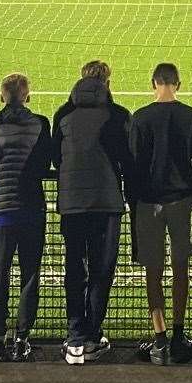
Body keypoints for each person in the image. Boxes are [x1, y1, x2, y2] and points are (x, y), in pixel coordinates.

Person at [128, 63, 192, 365]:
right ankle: (178, 335)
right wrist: (190, 195)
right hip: (179, 202)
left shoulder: (141, 117)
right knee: (180, 269)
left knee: (153, 270)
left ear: (153, 83)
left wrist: (136, 200)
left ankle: (159, 339)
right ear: (179, 84)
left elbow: (132, 166)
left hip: (148, 203)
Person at [52, 64, 131, 364]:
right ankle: (93, 336)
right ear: (107, 82)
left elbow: (55, 155)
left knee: (74, 268)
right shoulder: (118, 114)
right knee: (101, 269)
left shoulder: (63, 114)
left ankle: (74, 337)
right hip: (107, 202)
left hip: (72, 203)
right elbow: (126, 156)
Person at [0, 73, 54, 362]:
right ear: (27, 96)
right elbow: (44, 164)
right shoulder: (40, 124)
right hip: (32, 208)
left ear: (1, 96)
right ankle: (22, 340)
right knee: (30, 275)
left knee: (1, 273)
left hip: (3, 210)